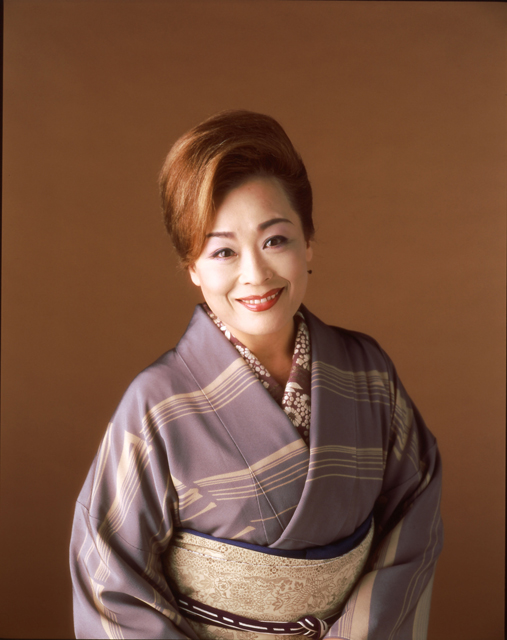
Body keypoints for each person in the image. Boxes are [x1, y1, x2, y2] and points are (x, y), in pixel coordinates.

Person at [70, 110, 443, 640]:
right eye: (223, 251)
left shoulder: (367, 374)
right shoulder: (156, 403)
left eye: (275, 240)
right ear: (193, 268)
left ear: (308, 243)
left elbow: (414, 515)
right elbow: (110, 579)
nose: (255, 274)